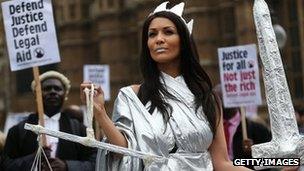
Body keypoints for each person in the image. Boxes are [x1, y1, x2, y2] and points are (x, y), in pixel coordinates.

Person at [81, 2, 251, 170]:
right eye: (152, 34)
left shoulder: (207, 98)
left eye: (168, 32)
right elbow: (123, 153)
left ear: (184, 41)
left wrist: (272, 165)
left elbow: (222, 163)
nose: (159, 39)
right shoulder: (132, 96)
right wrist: (100, 112)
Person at [3, 71, 96, 171]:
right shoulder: (19, 130)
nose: (53, 92)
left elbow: (94, 163)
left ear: (65, 95)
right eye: (47, 89)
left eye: (58, 89)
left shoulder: (79, 130)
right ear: (36, 95)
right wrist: (33, 158)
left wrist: (67, 166)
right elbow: (5, 165)